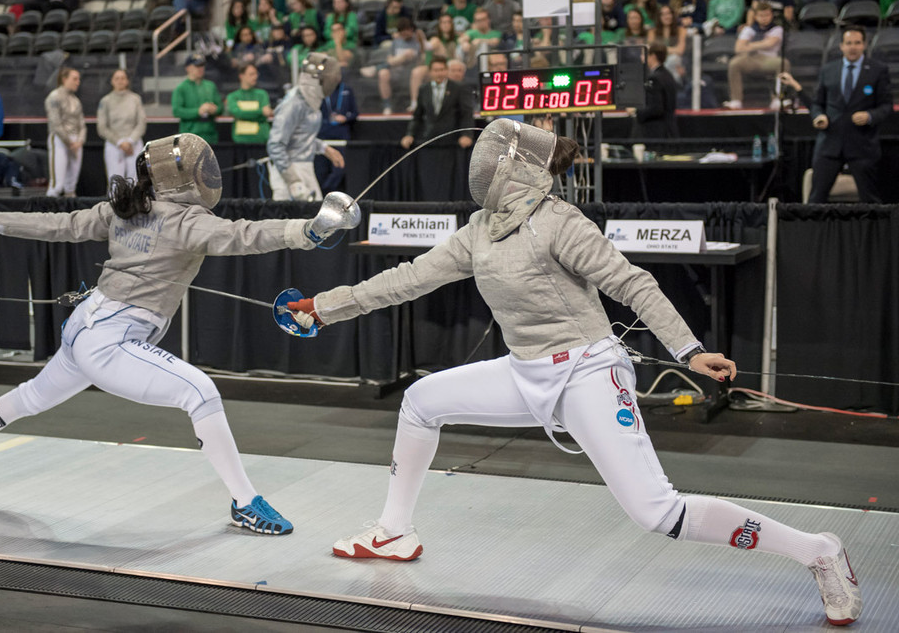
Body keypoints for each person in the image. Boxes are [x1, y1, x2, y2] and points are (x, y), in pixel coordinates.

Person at [284, 117, 864, 629]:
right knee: (421, 401)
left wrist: (689, 351)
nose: (479, 170)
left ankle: (816, 550)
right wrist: (324, 307)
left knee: (657, 513)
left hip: (588, 373)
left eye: (490, 160)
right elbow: (406, 277)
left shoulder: (560, 222)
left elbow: (632, 282)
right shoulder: (479, 231)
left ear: (513, 168)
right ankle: (394, 529)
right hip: (525, 372)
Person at [0, 133, 362, 539]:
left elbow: (62, 224)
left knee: (33, 395)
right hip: (109, 341)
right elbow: (244, 235)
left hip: (83, 324)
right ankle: (245, 502)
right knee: (201, 393)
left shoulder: (126, 205)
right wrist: (307, 232)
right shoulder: (187, 220)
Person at [808, 25, 893, 203]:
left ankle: (873, 232)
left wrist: (870, 116)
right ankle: (815, 231)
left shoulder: (878, 70)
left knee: (870, 199)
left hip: (862, 146)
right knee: (816, 199)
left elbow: (886, 106)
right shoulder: (828, 70)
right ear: (841, 46)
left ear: (864, 45)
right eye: (848, 43)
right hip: (829, 145)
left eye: (857, 43)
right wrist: (818, 116)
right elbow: (817, 103)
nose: (852, 47)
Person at [266, 52, 346, 201]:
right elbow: (275, 145)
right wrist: (294, 182)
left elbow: (300, 136)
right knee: (291, 223)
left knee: (316, 219)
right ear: (318, 79)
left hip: (305, 169)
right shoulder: (293, 103)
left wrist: (325, 149)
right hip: (288, 174)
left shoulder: (311, 101)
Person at [401, 55, 474, 150]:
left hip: (452, 142)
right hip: (428, 140)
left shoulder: (458, 88)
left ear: (447, 70)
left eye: (442, 70)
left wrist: (467, 135)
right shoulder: (424, 89)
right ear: (430, 72)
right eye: (436, 70)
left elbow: (466, 113)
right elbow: (417, 115)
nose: (439, 73)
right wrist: (409, 134)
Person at [725, 1, 785, 109]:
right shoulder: (749, 29)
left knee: (783, 63)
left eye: (767, 15)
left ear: (771, 15)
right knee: (734, 63)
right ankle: (736, 100)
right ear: (756, 16)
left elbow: (770, 43)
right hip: (751, 59)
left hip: (769, 59)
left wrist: (749, 45)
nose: (764, 18)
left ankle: (777, 98)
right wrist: (760, 44)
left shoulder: (777, 29)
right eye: (761, 15)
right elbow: (738, 48)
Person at [97, 68, 147, 183]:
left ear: (127, 81)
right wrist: (120, 142)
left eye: (123, 78)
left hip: (134, 145)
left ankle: (135, 201)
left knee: (134, 180)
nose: (120, 81)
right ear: (112, 81)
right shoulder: (105, 101)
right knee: (115, 181)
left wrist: (130, 141)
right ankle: (116, 201)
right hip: (114, 145)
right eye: (117, 78)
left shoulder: (135, 99)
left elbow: (141, 123)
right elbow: (102, 127)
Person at [45, 67, 86, 197]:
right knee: (57, 184)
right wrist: (69, 142)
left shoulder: (75, 100)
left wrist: (79, 141)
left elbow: (82, 124)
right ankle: (46, 214)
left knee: (71, 186)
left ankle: (71, 214)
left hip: (76, 142)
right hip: (59, 139)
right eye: (74, 79)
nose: (78, 82)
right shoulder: (54, 97)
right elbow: (56, 123)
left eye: (78, 79)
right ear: (64, 79)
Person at [374, 17, 424, 115]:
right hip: (396, 71)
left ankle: (375, 68)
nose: (404, 34)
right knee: (383, 73)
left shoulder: (417, 41)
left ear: (411, 29)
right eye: (402, 32)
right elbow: (390, 59)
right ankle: (387, 106)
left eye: (407, 31)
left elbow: (421, 58)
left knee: (408, 55)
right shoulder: (396, 42)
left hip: (412, 72)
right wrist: (402, 58)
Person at [629, 42, 678, 138]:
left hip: (657, 132)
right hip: (669, 130)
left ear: (653, 56)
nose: (641, 57)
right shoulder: (668, 75)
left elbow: (656, 108)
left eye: (644, 54)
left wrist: (636, 111)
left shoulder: (654, 78)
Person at [317, 79, 357, 192]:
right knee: (321, 171)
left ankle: (326, 192)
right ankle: (321, 195)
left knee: (339, 168)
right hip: (323, 136)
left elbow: (355, 112)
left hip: (341, 137)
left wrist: (346, 118)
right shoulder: (320, 91)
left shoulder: (346, 89)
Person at [171, 53, 221, 145]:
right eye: (197, 66)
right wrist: (198, 111)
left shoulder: (210, 86)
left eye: (202, 66)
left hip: (210, 136)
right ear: (188, 68)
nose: (200, 69)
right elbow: (177, 111)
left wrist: (214, 109)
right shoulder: (181, 88)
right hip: (190, 138)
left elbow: (220, 107)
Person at [225, 63, 273, 145]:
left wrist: (245, 115)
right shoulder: (232, 96)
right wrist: (260, 112)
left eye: (256, 74)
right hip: (241, 142)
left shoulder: (262, 94)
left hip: (261, 141)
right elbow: (238, 113)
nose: (255, 77)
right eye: (251, 74)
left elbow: (267, 113)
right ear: (241, 76)